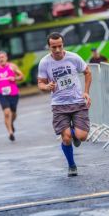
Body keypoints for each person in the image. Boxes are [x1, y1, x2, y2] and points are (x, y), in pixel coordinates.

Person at [38, 32, 92, 177]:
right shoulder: (45, 62)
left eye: (59, 46)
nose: (57, 50)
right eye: (53, 47)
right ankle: (71, 165)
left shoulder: (73, 58)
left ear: (63, 45)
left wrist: (86, 92)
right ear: (49, 47)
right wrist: (46, 86)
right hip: (59, 105)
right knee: (66, 138)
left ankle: (73, 132)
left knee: (82, 136)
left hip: (77, 102)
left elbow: (87, 72)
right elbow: (40, 83)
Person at [0, 51, 24, 141]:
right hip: (2, 93)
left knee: (13, 113)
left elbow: (22, 76)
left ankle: (11, 123)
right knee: (6, 113)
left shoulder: (12, 66)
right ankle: (10, 133)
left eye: (2, 57)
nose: (1, 59)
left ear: (6, 57)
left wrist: (14, 78)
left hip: (13, 93)